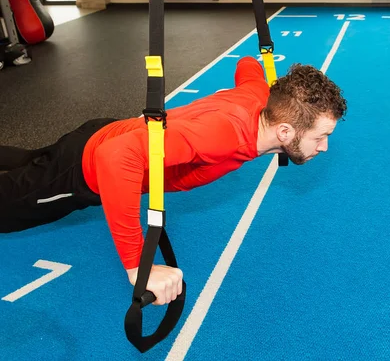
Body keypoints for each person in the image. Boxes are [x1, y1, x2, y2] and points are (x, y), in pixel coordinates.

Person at [0, 56, 347, 305]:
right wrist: (138, 265)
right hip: (82, 170)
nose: (325, 146)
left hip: (102, 131)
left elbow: (247, 65)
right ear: (284, 131)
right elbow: (116, 158)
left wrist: (268, 74)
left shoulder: (261, 97)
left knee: (31, 161)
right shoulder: (224, 134)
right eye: (321, 136)